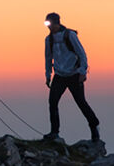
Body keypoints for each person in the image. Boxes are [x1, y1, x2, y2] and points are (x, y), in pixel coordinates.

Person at [43, 12, 100, 142]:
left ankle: (94, 126)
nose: (49, 27)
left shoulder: (70, 35)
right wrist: (48, 75)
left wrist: (82, 72)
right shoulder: (49, 39)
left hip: (74, 75)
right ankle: (54, 132)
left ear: (57, 23)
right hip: (59, 75)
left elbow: (82, 53)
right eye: (47, 24)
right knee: (52, 102)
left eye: (50, 24)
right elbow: (48, 57)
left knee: (81, 102)